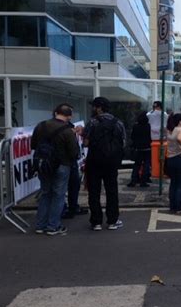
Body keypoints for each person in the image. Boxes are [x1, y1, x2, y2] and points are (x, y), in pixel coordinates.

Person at [31, 103, 80, 235]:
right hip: (62, 165)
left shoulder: (40, 126)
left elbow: (34, 145)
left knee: (45, 193)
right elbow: (74, 153)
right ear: (69, 116)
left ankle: (40, 225)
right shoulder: (67, 131)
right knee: (58, 195)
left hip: (43, 164)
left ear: (56, 112)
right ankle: (53, 226)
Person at [84, 97, 126, 231]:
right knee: (112, 190)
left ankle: (96, 222)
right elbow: (123, 142)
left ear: (99, 108)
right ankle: (112, 221)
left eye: (94, 106)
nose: (93, 109)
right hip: (111, 162)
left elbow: (86, 142)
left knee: (94, 191)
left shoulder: (92, 122)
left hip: (94, 161)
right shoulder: (118, 123)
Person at [165, 113, 181, 213]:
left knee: (173, 183)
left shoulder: (171, 130)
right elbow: (180, 139)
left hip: (171, 159)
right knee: (180, 184)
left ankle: (172, 206)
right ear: (180, 121)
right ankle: (179, 207)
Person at [61, 123, 88, 219]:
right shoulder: (67, 134)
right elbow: (74, 151)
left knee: (72, 187)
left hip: (71, 163)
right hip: (69, 163)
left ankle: (72, 207)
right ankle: (69, 208)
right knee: (69, 187)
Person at [127, 111, 152, 188]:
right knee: (146, 165)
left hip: (138, 148)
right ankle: (143, 181)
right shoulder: (148, 126)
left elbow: (132, 137)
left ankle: (133, 180)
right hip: (147, 148)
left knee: (136, 165)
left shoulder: (136, 126)